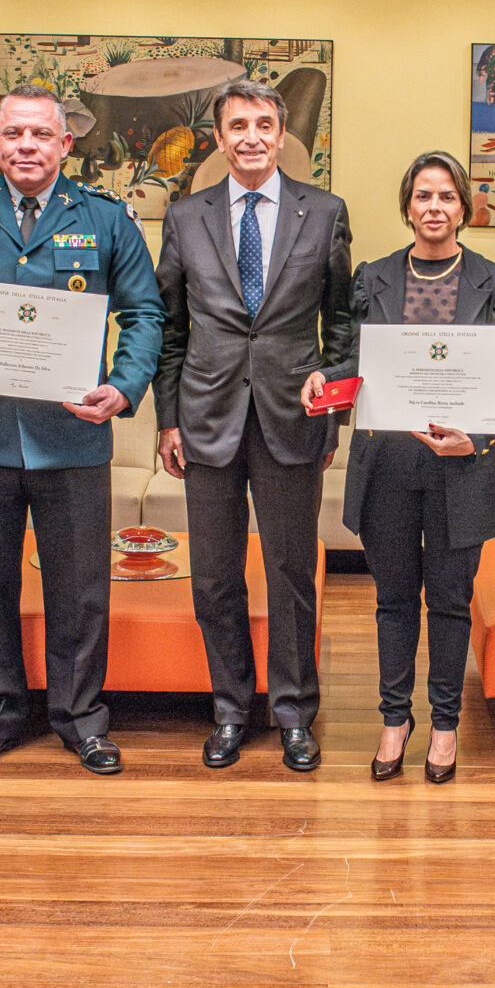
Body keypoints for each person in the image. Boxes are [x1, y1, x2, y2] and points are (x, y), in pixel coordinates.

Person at [0, 87, 164, 777]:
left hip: (72, 437)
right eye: (13, 132)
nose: (26, 145)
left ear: (64, 143)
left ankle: (80, 718)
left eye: (40, 134)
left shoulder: (105, 220)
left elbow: (145, 312)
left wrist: (126, 384)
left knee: (79, 587)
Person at [154, 81, 354, 772]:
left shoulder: (324, 212)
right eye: (237, 124)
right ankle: (232, 709)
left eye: (264, 123)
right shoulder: (185, 217)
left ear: (281, 134)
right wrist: (167, 419)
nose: (251, 136)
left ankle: (295, 712)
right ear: (218, 136)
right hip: (205, 418)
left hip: (292, 419)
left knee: (292, 571)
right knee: (213, 576)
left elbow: (343, 323)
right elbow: (170, 328)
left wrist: (331, 405)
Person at [317, 152, 495, 785]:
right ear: (407, 206)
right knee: (394, 600)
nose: (435, 207)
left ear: (464, 207)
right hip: (388, 466)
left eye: (447, 196)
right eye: (423, 196)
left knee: (453, 602)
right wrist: (326, 381)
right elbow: (348, 357)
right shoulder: (372, 277)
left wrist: (476, 437)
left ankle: (447, 723)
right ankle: (394, 719)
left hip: (463, 465)